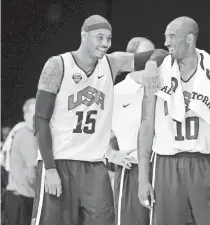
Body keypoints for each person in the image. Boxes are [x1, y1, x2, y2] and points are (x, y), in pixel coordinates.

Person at [31, 14, 161, 225]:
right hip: (61, 162)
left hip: (95, 166)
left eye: (109, 39)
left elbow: (158, 55)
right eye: (99, 37)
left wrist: (153, 66)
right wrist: (49, 167)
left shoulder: (112, 63)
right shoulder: (57, 65)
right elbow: (40, 120)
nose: (105, 44)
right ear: (84, 35)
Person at [137, 17, 210, 225]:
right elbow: (146, 125)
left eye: (172, 36)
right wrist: (142, 178)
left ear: (189, 39)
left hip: (205, 164)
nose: (166, 42)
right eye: (165, 37)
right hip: (166, 164)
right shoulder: (155, 74)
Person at [111, 37, 155, 225]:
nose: (151, 59)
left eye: (153, 54)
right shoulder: (115, 92)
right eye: (145, 54)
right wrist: (111, 154)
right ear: (132, 58)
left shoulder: (163, 89)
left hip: (162, 169)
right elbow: (95, 134)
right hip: (132, 170)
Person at [4, 98, 38, 225]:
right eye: (35, 114)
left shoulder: (20, 131)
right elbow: (32, 173)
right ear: (26, 115)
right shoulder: (27, 134)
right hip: (23, 199)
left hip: (16, 198)